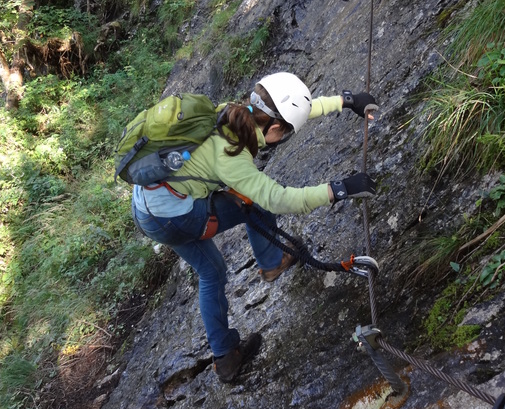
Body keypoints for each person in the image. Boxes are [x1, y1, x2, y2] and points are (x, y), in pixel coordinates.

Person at [131, 73, 377, 383]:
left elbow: (289, 114)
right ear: (273, 129)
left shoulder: (233, 112)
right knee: (249, 211)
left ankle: (228, 353)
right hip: (172, 218)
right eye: (284, 134)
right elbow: (278, 198)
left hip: (149, 203)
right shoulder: (232, 155)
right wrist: (337, 189)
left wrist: (345, 101)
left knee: (214, 267)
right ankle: (268, 269)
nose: (284, 136)